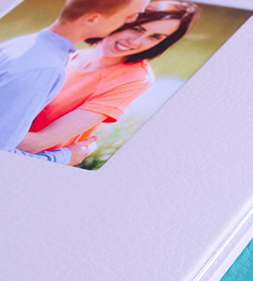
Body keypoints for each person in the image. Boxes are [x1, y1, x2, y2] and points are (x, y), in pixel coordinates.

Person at [15, 0, 198, 161]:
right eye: (136, 28)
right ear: (121, 19)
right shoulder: (69, 54)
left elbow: (36, 144)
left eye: (155, 37)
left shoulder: (135, 78)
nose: (135, 41)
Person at [0, 0, 149, 165]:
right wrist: (62, 158)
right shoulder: (46, 68)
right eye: (128, 17)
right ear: (92, 19)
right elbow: (3, 154)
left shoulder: (23, 44)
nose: (130, 22)